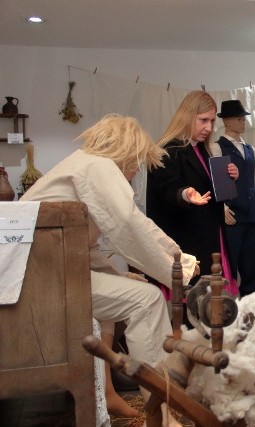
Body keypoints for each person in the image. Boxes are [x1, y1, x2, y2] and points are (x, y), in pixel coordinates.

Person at [22, 114, 199, 427]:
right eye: (135, 165)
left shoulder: (80, 165)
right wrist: (178, 265)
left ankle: (112, 396)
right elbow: (127, 224)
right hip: (43, 279)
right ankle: (159, 415)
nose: (133, 173)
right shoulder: (99, 165)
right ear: (128, 151)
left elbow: (82, 250)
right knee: (147, 300)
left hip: (41, 274)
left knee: (128, 297)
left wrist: (135, 272)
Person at [146, 91, 239, 284]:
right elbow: (167, 189)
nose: (209, 127)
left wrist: (229, 178)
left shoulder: (201, 149)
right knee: (192, 304)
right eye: (203, 120)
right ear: (187, 117)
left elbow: (210, 191)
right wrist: (185, 194)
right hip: (185, 239)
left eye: (212, 121)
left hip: (207, 235)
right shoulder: (166, 150)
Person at [211, 100, 255, 296]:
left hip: (252, 213)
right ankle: (226, 311)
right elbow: (216, 183)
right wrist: (221, 208)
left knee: (251, 269)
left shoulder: (250, 149)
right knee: (229, 265)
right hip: (231, 214)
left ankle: (249, 312)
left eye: (244, 118)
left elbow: (250, 181)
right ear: (228, 122)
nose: (244, 123)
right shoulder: (217, 147)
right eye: (240, 119)